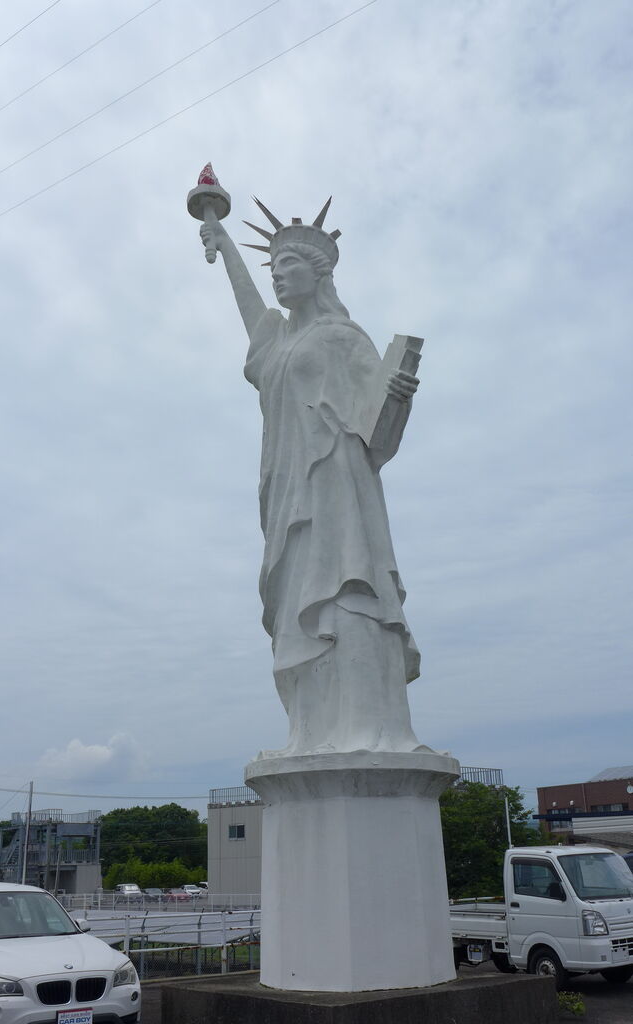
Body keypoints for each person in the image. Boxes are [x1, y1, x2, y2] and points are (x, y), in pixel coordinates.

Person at [200, 197, 428, 756]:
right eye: (272, 269)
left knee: (348, 587)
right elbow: (248, 307)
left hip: (340, 484)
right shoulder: (275, 342)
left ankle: (370, 728)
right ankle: (310, 731)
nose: (278, 277)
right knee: (297, 600)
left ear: (319, 272)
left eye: (289, 267)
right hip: (286, 489)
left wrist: (397, 398)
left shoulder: (345, 337)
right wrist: (221, 240)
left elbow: (379, 434)